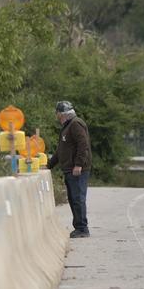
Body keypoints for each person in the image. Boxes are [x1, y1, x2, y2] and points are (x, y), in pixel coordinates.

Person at [47, 101, 91, 238]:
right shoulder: (67, 127)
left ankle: (82, 228)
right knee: (73, 198)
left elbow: (83, 144)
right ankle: (79, 226)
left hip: (77, 169)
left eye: (57, 114)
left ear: (61, 114)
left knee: (78, 198)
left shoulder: (75, 124)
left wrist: (78, 164)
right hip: (69, 169)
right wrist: (49, 165)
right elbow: (60, 151)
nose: (56, 117)